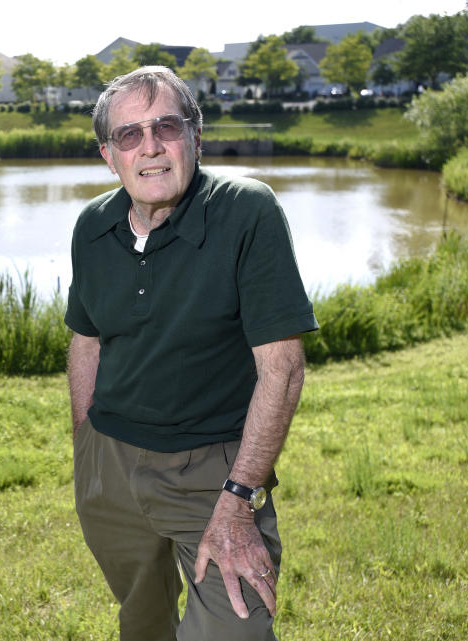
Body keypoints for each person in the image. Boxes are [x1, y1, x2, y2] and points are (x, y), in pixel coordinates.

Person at [65, 66, 318, 641]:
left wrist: (238, 497)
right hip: (112, 469)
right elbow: (87, 340)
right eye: (129, 135)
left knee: (235, 630)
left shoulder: (247, 211)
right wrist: (87, 447)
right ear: (109, 155)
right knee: (143, 622)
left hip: (215, 475)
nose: (150, 147)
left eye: (166, 127)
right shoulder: (92, 226)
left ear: (196, 136)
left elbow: (282, 368)